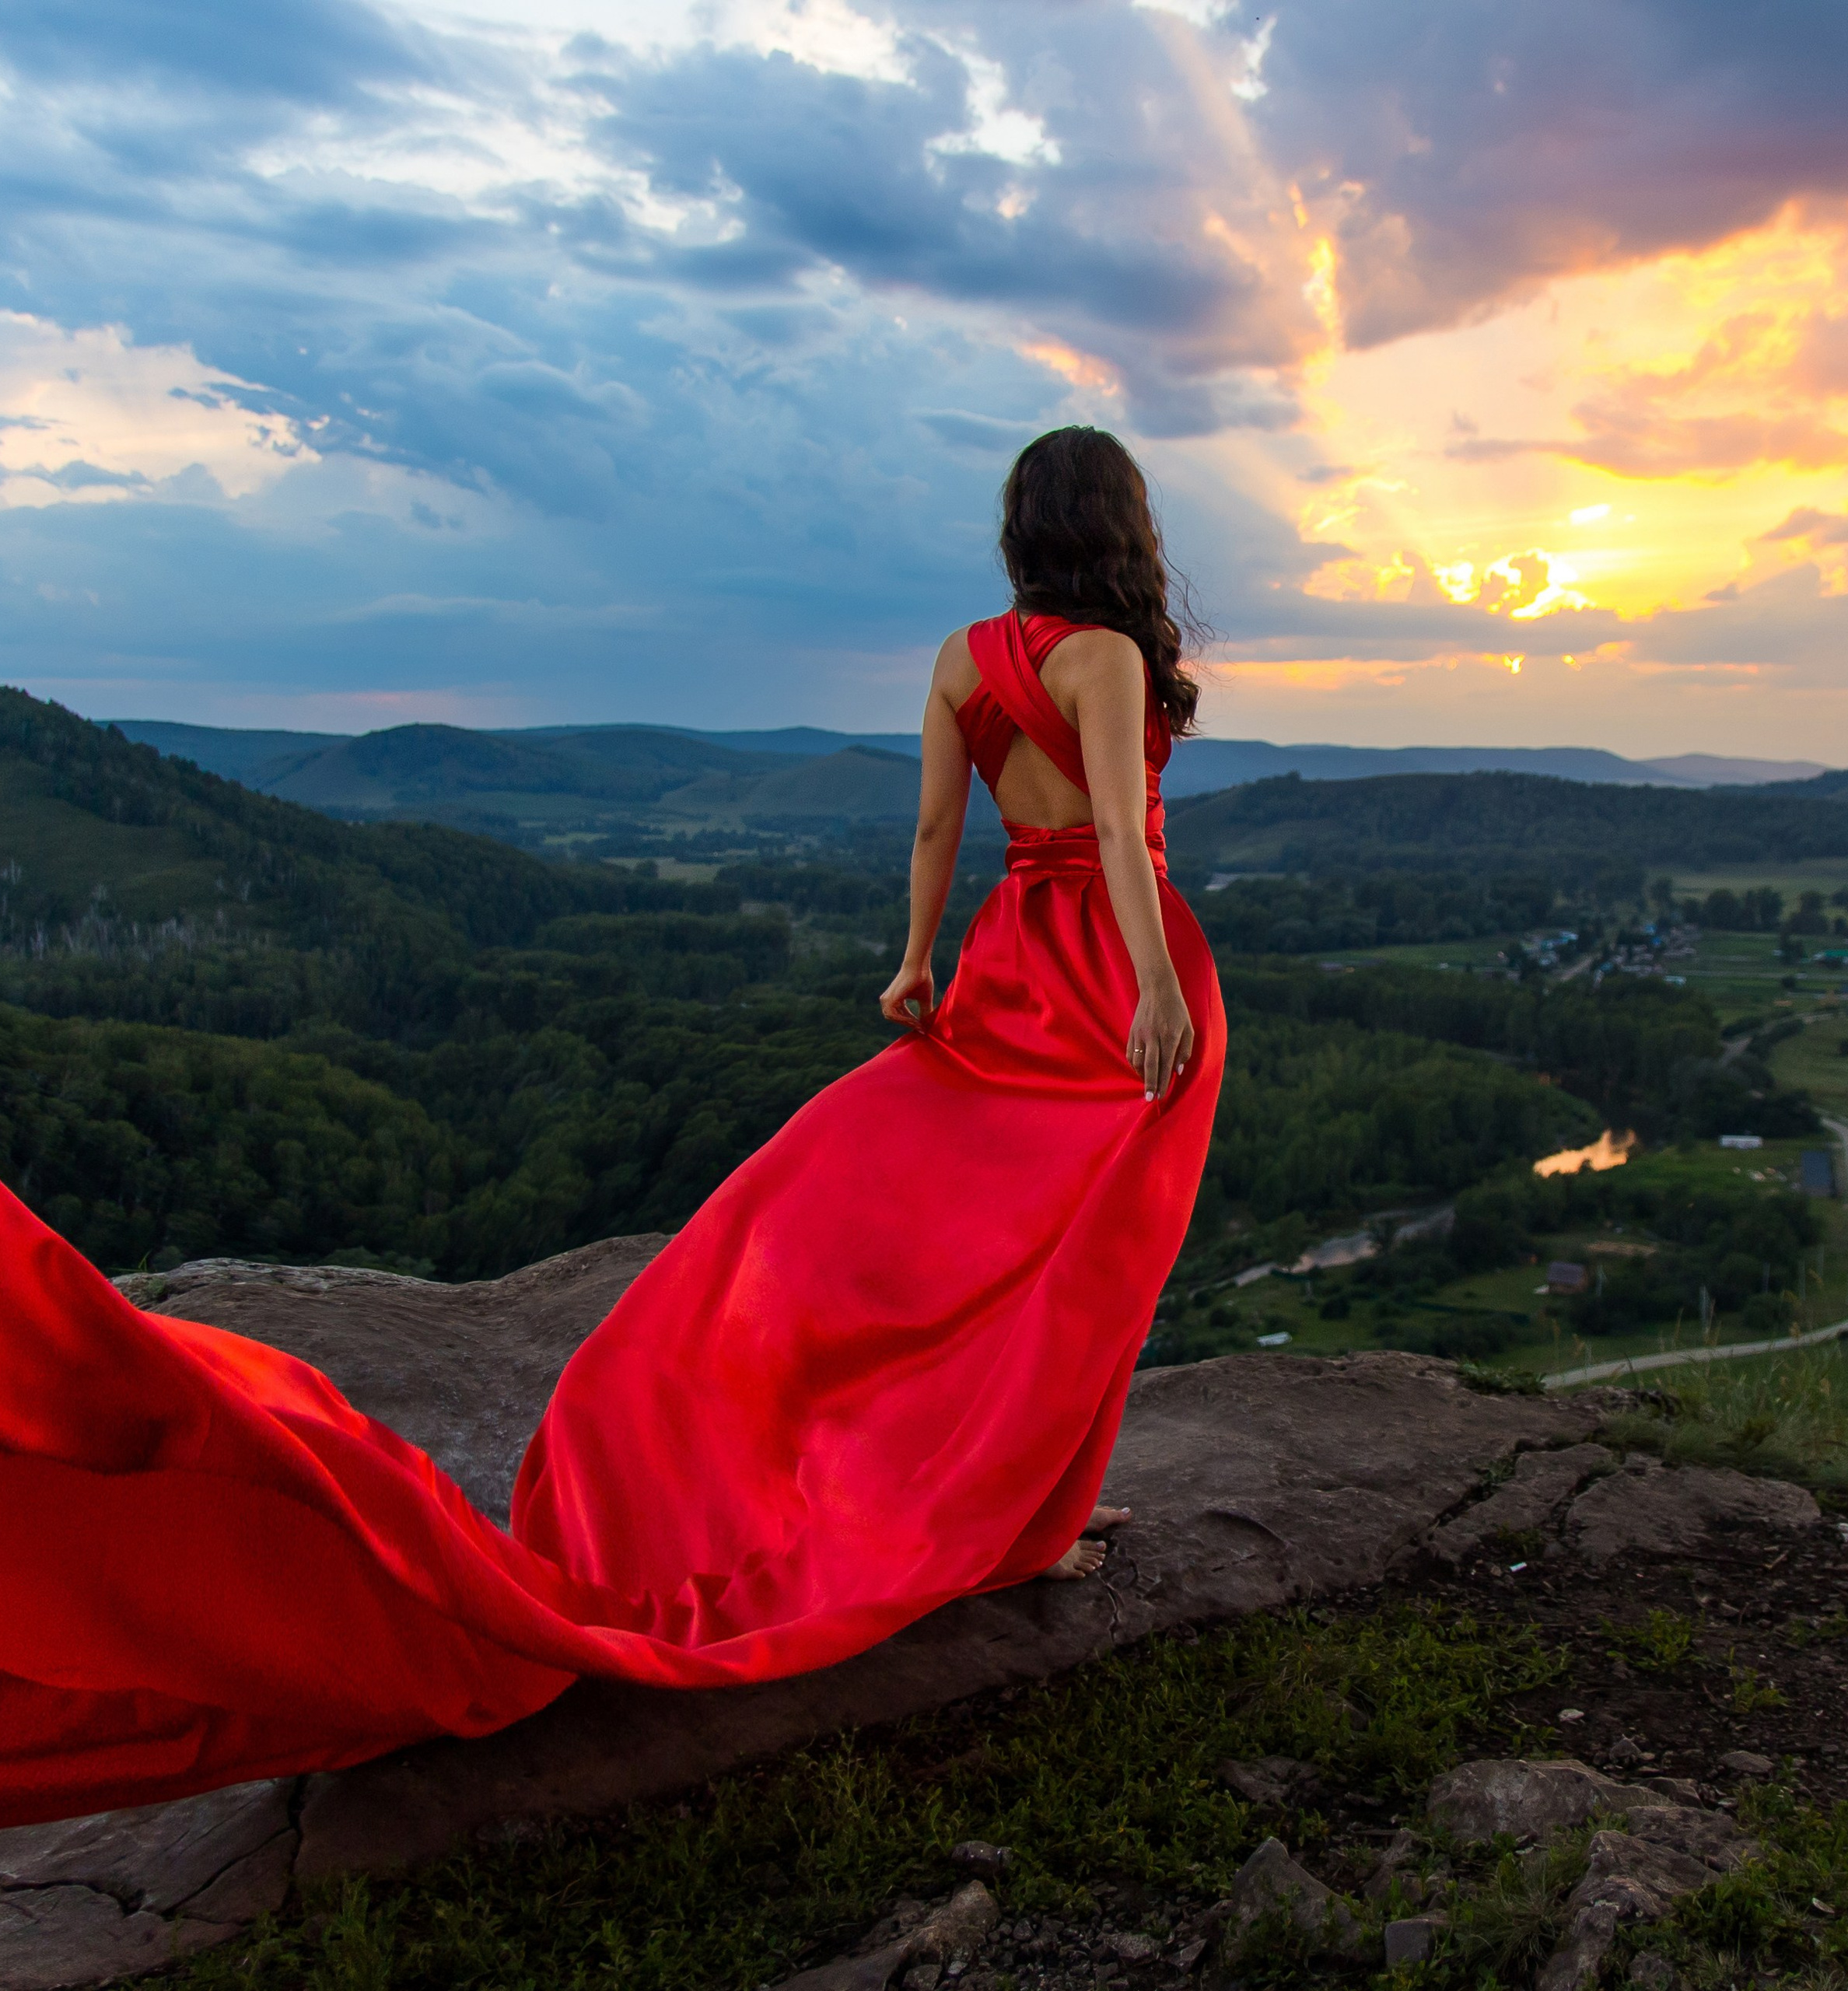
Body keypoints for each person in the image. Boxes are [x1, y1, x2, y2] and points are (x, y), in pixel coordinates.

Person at [0, 425, 1225, 1830]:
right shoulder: (1112, 660)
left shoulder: (963, 658)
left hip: (1010, 955)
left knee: (991, 1247)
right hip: (1109, 972)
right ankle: (1029, 1525)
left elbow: (937, 833)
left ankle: (1021, 1518)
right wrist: (1148, 993)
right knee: (1089, 1264)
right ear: (1121, 525)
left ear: (1022, 529)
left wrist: (914, 960)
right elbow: (1124, 842)